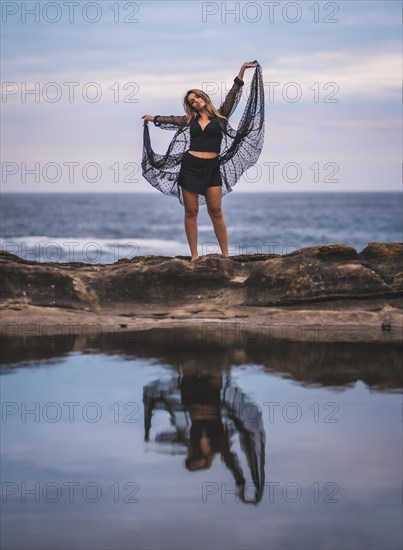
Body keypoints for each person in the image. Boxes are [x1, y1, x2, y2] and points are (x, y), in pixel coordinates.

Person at [142, 61, 265, 262]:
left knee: (216, 210)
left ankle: (225, 255)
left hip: (212, 168)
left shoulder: (221, 115)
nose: (195, 101)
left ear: (203, 97)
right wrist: (152, 118)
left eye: (197, 97)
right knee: (191, 211)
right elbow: (171, 120)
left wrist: (242, 71)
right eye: (191, 101)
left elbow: (233, 95)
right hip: (190, 167)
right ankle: (194, 255)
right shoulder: (189, 120)